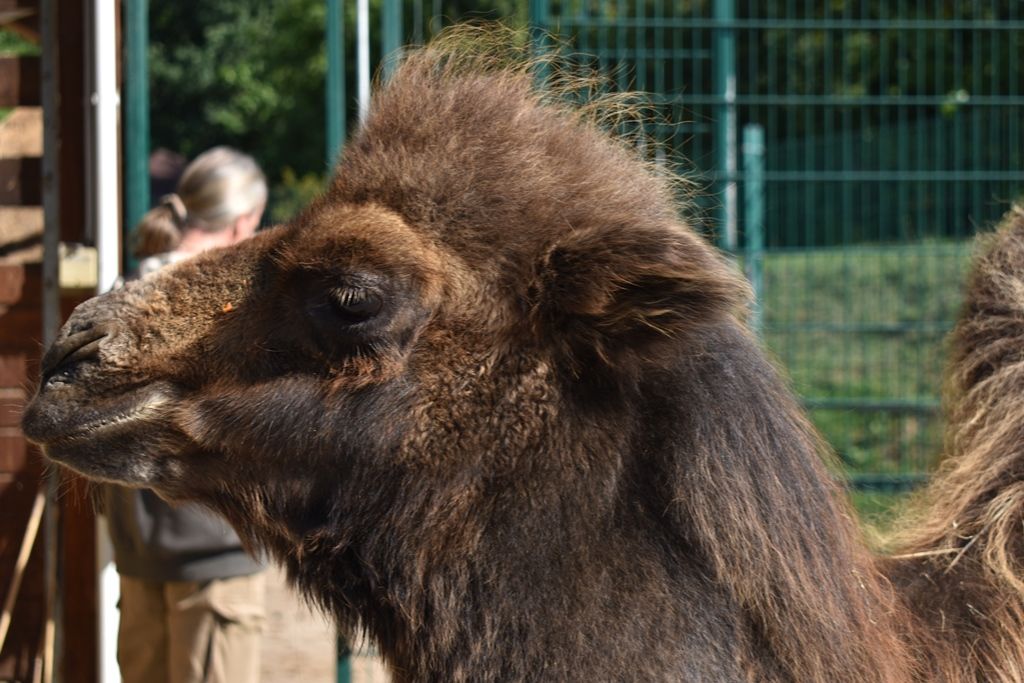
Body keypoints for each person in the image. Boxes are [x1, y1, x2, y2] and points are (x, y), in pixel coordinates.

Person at [104, 146, 269, 683]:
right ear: (244, 221)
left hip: (138, 549)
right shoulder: (238, 311)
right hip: (216, 555)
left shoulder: (125, 292)